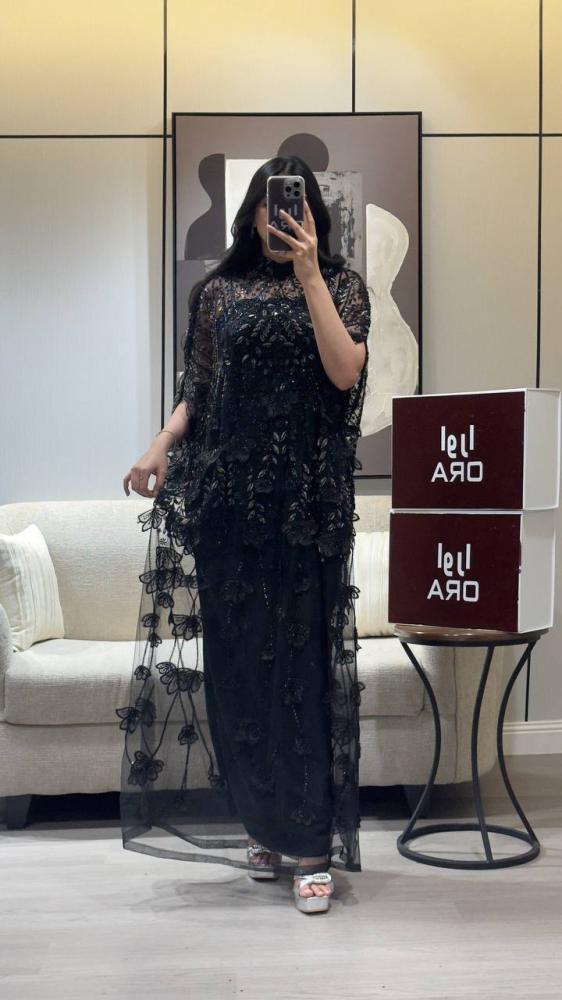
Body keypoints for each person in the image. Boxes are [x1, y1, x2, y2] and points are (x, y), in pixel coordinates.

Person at [117, 156, 371, 914]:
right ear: (251, 214)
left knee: (303, 672)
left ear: (313, 215)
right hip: (228, 505)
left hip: (306, 509)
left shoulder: (342, 286)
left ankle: (311, 844)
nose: (279, 216)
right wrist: (160, 446)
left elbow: (345, 372)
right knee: (238, 673)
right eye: (268, 204)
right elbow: (198, 390)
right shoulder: (217, 293)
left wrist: (310, 276)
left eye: (294, 205)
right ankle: (264, 826)